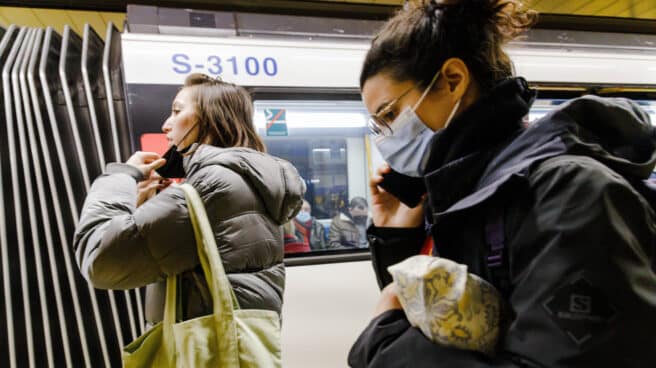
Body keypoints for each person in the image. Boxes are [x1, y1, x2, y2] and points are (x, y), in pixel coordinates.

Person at [348, 1, 656, 367]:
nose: (387, 137)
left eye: (390, 114)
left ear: (453, 80)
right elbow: (454, 324)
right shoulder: (464, 197)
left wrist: (384, 344)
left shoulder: (570, 192)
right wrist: (398, 242)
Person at [73, 73, 305, 327]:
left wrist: (121, 176)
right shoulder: (246, 179)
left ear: (209, 118)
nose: (166, 124)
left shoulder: (210, 187)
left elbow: (100, 261)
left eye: (176, 111)